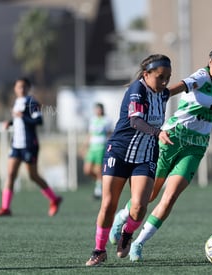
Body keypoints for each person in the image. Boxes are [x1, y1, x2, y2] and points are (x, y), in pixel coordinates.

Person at [109, 46, 212, 262]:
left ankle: (139, 243)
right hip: (171, 139)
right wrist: (161, 94)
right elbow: (182, 86)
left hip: (195, 148)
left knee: (169, 198)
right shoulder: (202, 76)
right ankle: (122, 218)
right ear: (209, 63)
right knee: (149, 196)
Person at [85, 54, 175, 266]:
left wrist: (199, 80)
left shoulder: (162, 93)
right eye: (160, 77)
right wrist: (158, 132)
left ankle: (126, 234)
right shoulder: (138, 89)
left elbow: (177, 88)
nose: (164, 83)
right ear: (146, 74)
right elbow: (135, 121)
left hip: (145, 156)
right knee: (108, 204)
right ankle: (99, 250)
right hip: (119, 152)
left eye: (168, 78)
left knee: (139, 207)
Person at [0, 77, 63, 217]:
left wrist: (22, 116)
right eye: (19, 86)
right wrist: (11, 123)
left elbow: (38, 120)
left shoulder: (32, 102)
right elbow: (19, 120)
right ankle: (6, 207)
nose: (21, 89)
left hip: (29, 145)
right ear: (15, 88)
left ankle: (54, 199)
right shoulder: (17, 102)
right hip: (16, 144)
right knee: (11, 175)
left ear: (28, 88)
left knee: (33, 176)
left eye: (24, 86)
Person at [83, 103, 113, 199]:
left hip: (101, 147)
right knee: (87, 170)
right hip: (92, 148)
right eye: (96, 109)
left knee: (98, 170)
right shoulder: (93, 119)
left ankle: (98, 190)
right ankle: (101, 183)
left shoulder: (107, 120)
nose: (98, 111)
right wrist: (85, 147)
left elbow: (110, 134)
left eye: (99, 109)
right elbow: (90, 134)